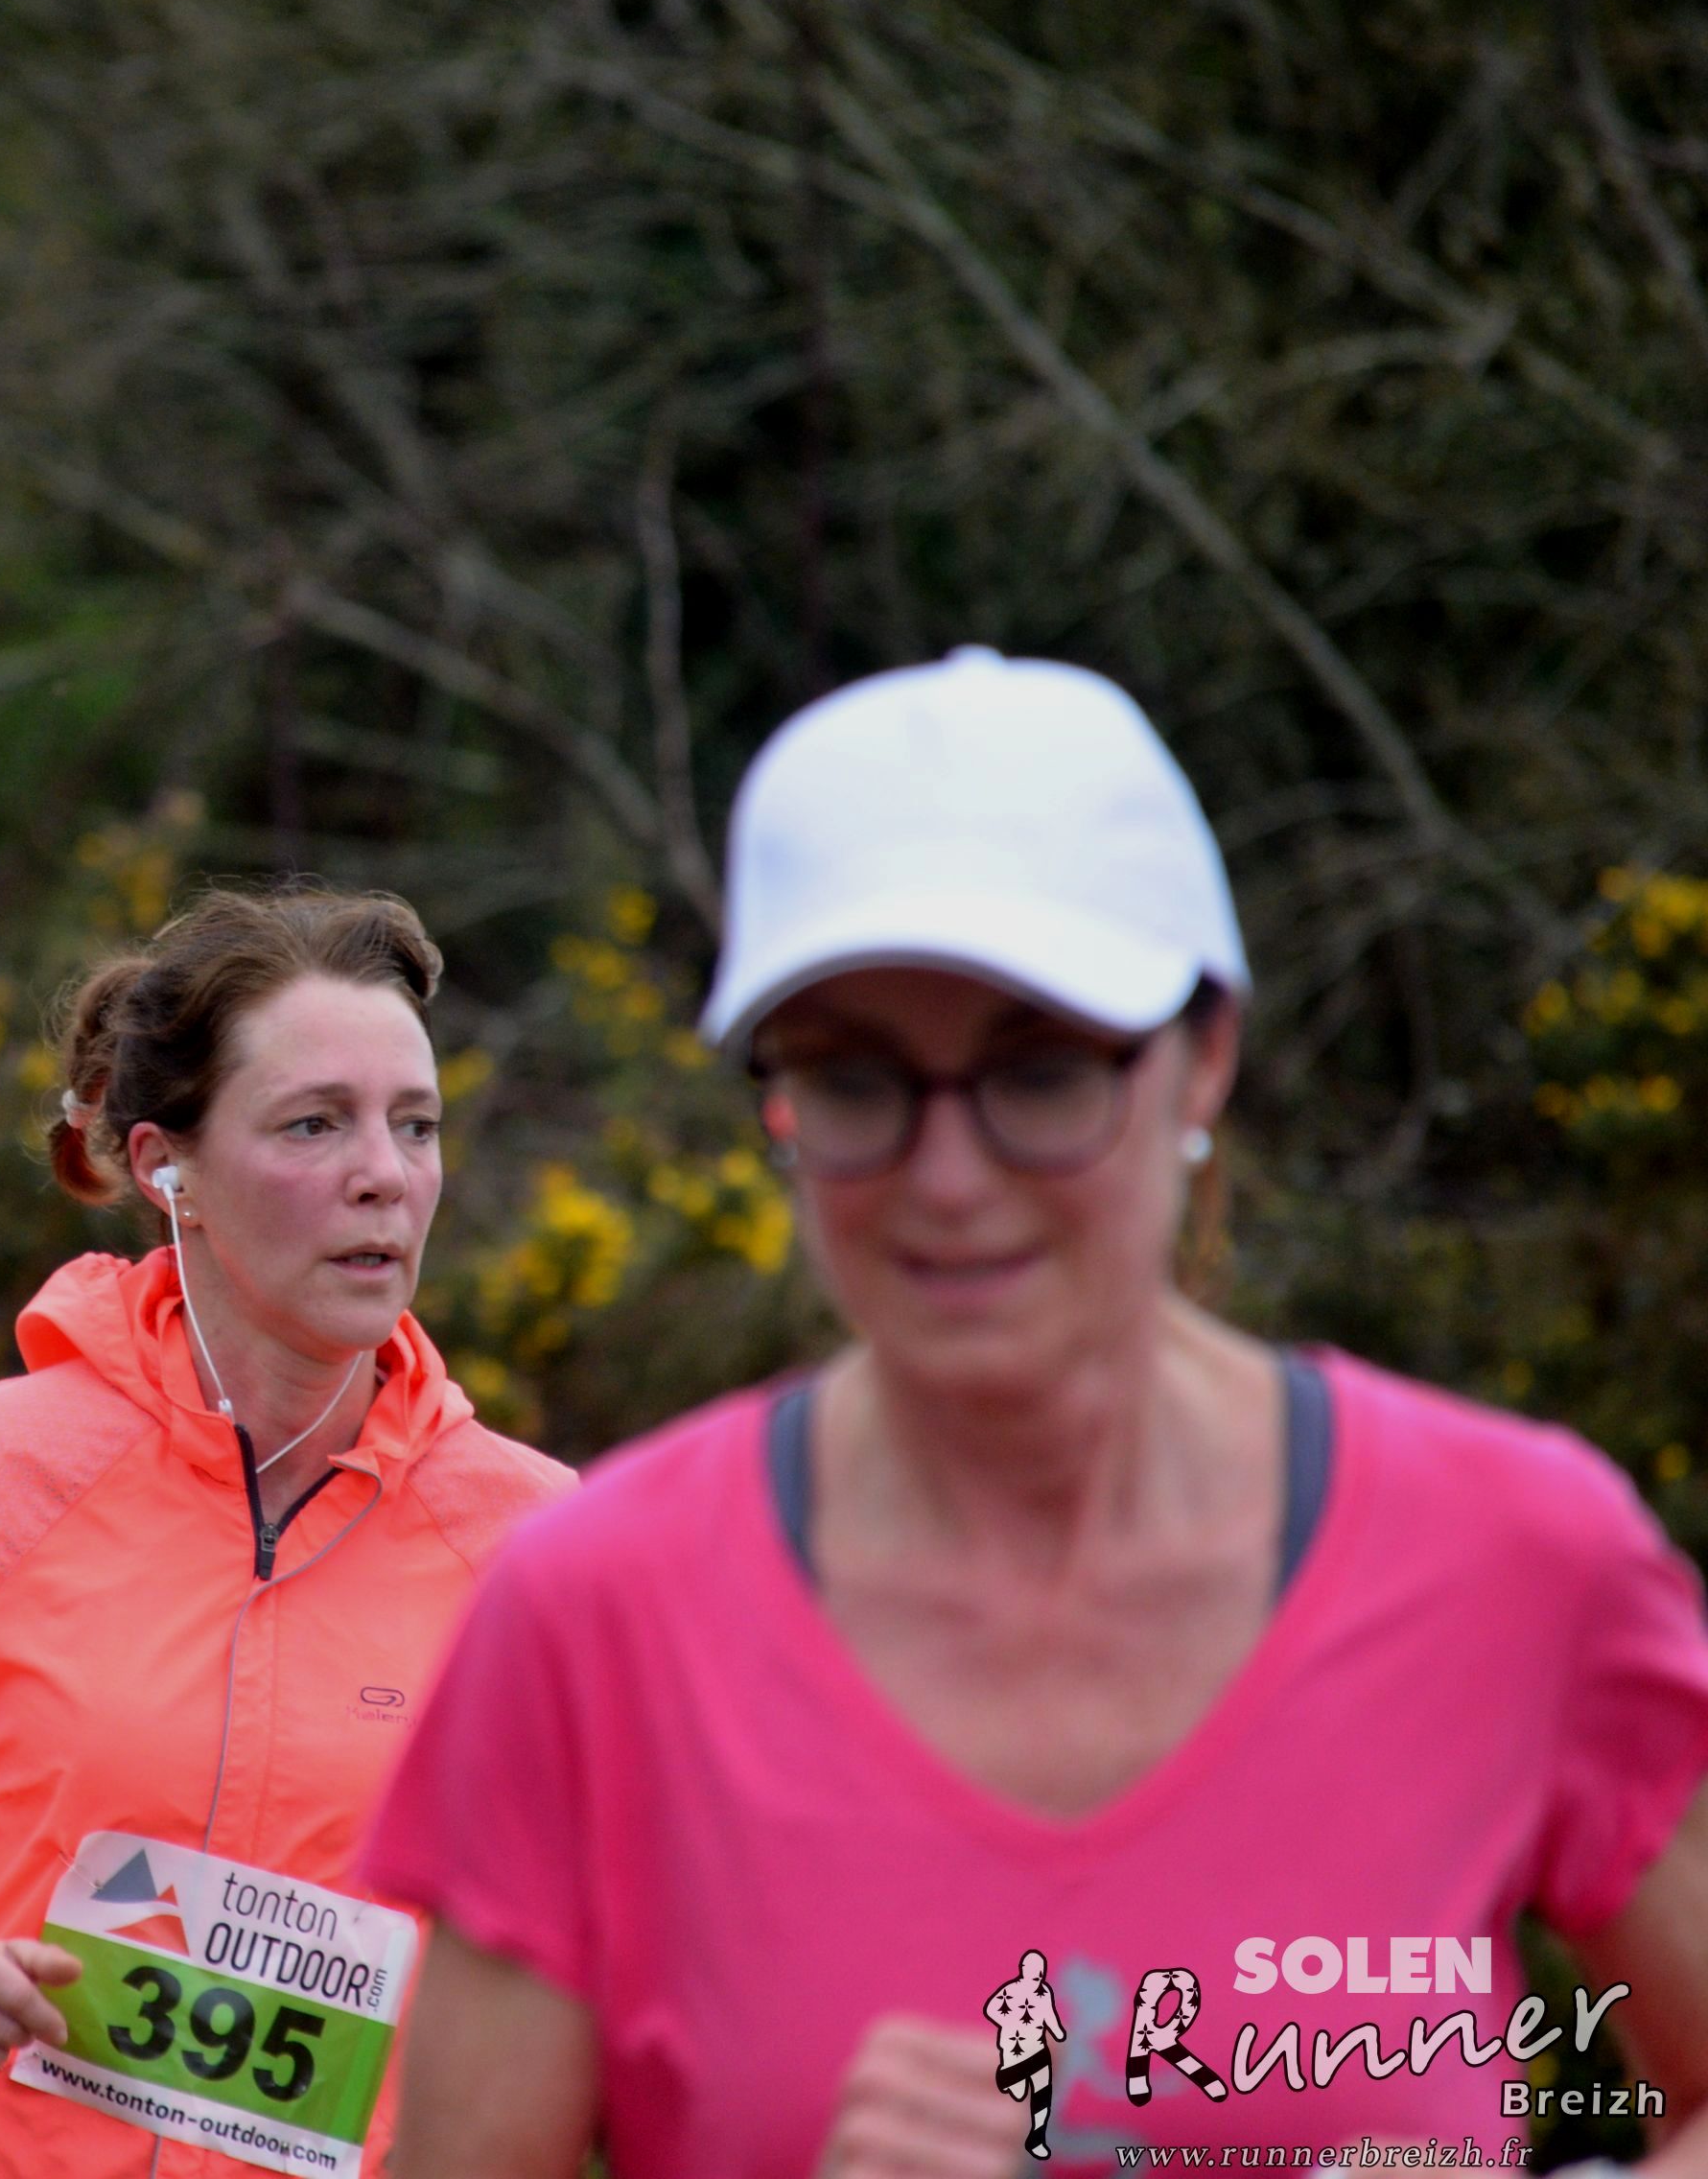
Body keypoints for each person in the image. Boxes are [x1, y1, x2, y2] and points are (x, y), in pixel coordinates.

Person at [364, 647, 1708, 2176]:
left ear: (1204, 1059)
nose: (949, 1178)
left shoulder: (1518, 1558)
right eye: (857, 1081)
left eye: (1045, 1072)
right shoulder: (594, 1616)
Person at [0, 885, 573, 2177]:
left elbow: (648, 1958)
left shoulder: (541, 1553)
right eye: (314, 1123)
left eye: (417, 1125)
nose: (384, 1175)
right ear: (170, 1167)